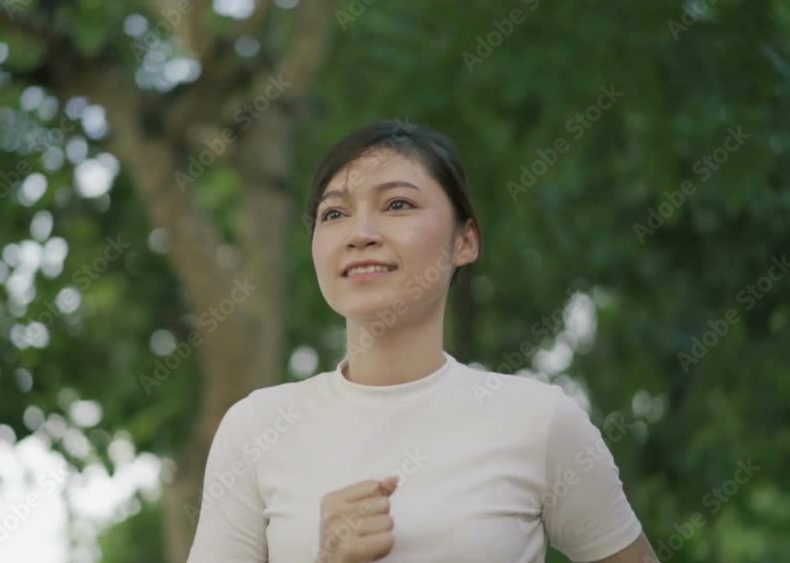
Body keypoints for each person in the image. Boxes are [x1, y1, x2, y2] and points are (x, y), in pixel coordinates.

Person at [186, 121, 658, 562]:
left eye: (397, 205)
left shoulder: (542, 422)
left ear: (464, 241)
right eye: (334, 213)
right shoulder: (256, 429)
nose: (361, 234)